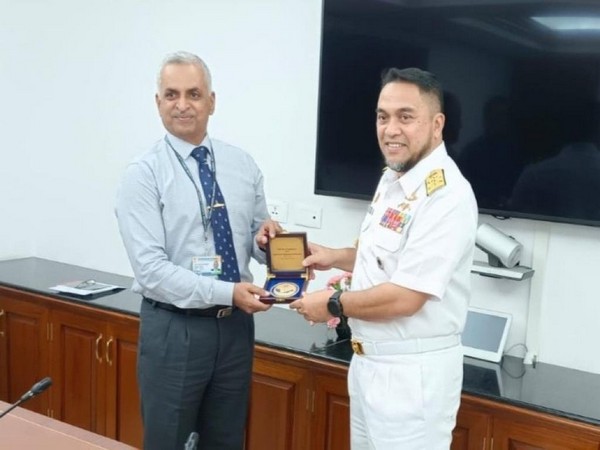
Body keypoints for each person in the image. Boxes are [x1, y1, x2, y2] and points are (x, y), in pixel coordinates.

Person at [290, 67, 478, 449]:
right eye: (382, 116)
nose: (390, 129)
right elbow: (383, 259)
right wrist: (334, 256)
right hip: (368, 365)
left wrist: (331, 303)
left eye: (405, 117)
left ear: (437, 124)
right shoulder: (394, 177)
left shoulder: (447, 195)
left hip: (412, 378)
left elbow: (407, 296)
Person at [115, 51, 281, 450]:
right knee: (169, 441)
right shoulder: (143, 174)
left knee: (225, 441)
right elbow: (151, 270)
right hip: (175, 329)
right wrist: (230, 292)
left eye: (193, 93)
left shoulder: (242, 165)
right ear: (158, 103)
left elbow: (258, 243)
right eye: (171, 94)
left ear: (212, 101)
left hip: (235, 328)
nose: (182, 104)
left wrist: (274, 245)